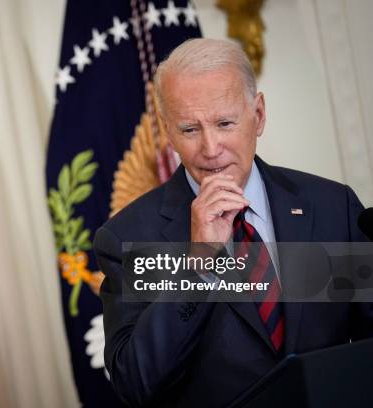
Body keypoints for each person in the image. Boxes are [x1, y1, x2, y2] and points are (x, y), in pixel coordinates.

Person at [93, 38, 373, 407]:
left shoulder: (331, 207)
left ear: (257, 115)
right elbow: (136, 381)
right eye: (190, 129)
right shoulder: (129, 237)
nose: (210, 149)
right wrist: (200, 265)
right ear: (167, 131)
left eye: (225, 123)